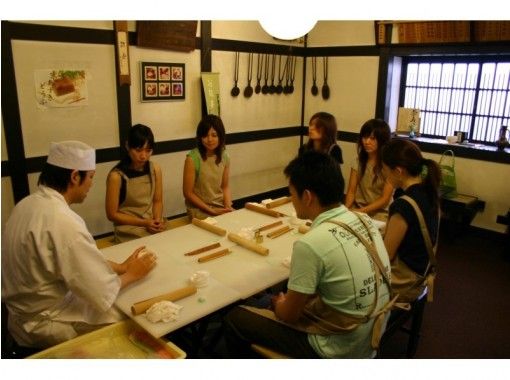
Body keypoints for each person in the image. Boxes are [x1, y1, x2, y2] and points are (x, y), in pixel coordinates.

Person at [224, 151, 394, 358]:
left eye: (292, 194)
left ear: (307, 196)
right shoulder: (366, 222)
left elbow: (289, 315)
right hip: (372, 334)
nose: (291, 200)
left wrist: (279, 304)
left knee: (235, 317)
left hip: (339, 347)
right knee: (268, 300)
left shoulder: (310, 244)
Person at [1, 141, 157, 349]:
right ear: (75, 177)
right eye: (90, 177)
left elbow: (73, 260)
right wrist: (133, 274)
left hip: (21, 312)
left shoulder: (27, 204)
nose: (92, 184)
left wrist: (121, 267)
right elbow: (100, 291)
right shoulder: (63, 221)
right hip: (45, 322)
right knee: (134, 315)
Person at [381, 138, 441, 303]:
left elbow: (386, 256)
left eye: (385, 169)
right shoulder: (428, 192)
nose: (384, 174)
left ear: (398, 171)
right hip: (421, 272)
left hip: (404, 283)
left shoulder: (404, 205)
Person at [106, 124, 167, 243]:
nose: (143, 156)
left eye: (148, 150)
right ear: (128, 146)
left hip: (150, 223)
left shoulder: (155, 169)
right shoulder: (116, 176)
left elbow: (157, 201)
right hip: (128, 229)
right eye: (138, 150)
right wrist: (144, 223)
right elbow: (112, 214)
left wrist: (157, 221)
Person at [183, 114, 233, 220]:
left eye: (214, 135)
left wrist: (228, 207)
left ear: (221, 136)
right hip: (198, 210)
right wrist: (211, 210)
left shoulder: (225, 156)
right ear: (200, 137)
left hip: (219, 206)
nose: (209, 139)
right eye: (205, 135)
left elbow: (225, 186)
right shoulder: (192, 159)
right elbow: (188, 193)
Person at [345, 119, 394, 222]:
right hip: (358, 207)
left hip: (380, 213)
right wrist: (346, 210)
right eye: (365, 137)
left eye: (372, 138)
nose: (367, 142)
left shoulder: (389, 165)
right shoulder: (358, 161)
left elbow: (384, 199)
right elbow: (351, 191)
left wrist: (361, 211)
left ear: (382, 140)